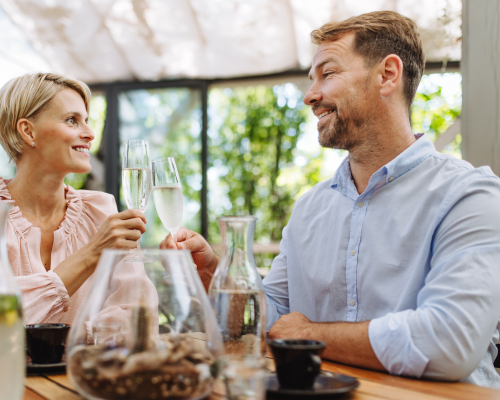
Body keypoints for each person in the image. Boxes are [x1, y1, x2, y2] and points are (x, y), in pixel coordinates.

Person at [161, 11, 500, 387]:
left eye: (329, 73)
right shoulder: (310, 208)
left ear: (387, 75)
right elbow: (273, 319)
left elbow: (450, 343)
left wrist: (310, 333)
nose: (310, 95)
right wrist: (215, 274)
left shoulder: (470, 196)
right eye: (312, 79)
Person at [0, 73, 156, 325]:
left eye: (87, 121)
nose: (90, 133)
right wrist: (93, 253)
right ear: (28, 131)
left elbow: (138, 315)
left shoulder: (101, 209)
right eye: (72, 120)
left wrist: (65, 341)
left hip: (85, 365)